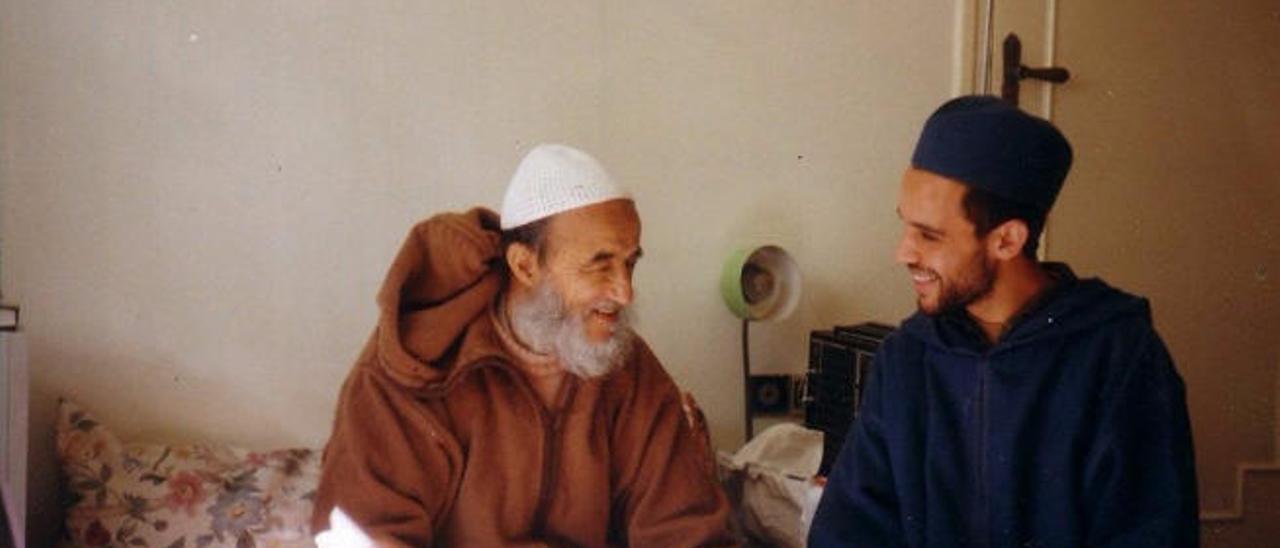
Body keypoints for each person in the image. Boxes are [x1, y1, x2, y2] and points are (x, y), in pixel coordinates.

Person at [809, 96, 1200, 547]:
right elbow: (849, 531)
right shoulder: (907, 358)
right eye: (906, 226)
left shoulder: (1118, 357)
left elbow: (1151, 533)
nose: (903, 253)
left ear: (1008, 240)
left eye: (929, 236)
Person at [311, 144, 735, 546]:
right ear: (526, 266)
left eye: (629, 263)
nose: (625, 293)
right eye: (600, 264)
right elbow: (369, 535)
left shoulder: (630, 370)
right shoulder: (410, 373)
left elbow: (687, 532)